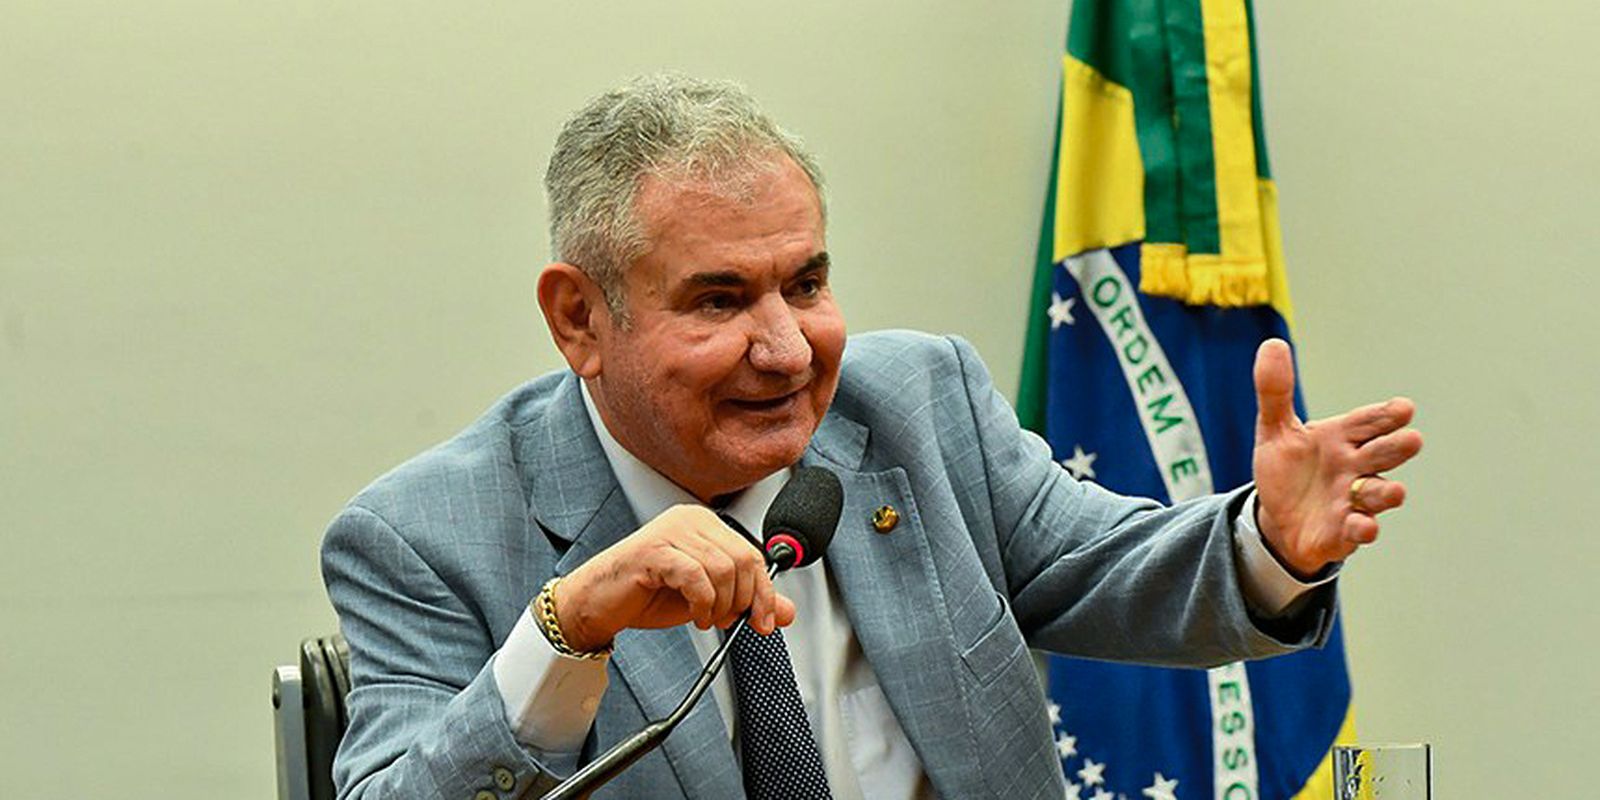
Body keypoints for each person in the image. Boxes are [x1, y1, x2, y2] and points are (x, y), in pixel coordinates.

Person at [321, 74, 1421, 800]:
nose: (785, 349)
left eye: (806, 284)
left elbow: (1117, 568)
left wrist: (1271, 542)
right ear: (579, 318)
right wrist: (569, 630)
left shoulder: (919, 403)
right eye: (718, 300)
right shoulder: (426, 537)